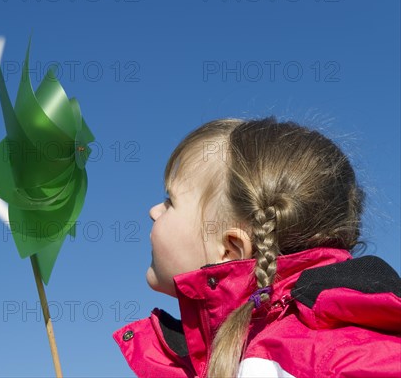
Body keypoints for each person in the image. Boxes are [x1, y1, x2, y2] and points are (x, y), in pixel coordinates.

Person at [113, 117, 401, 378]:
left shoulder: (318, 360)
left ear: (230, 249)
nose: (153, 211)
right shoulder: (232, 355)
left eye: (170, 202)